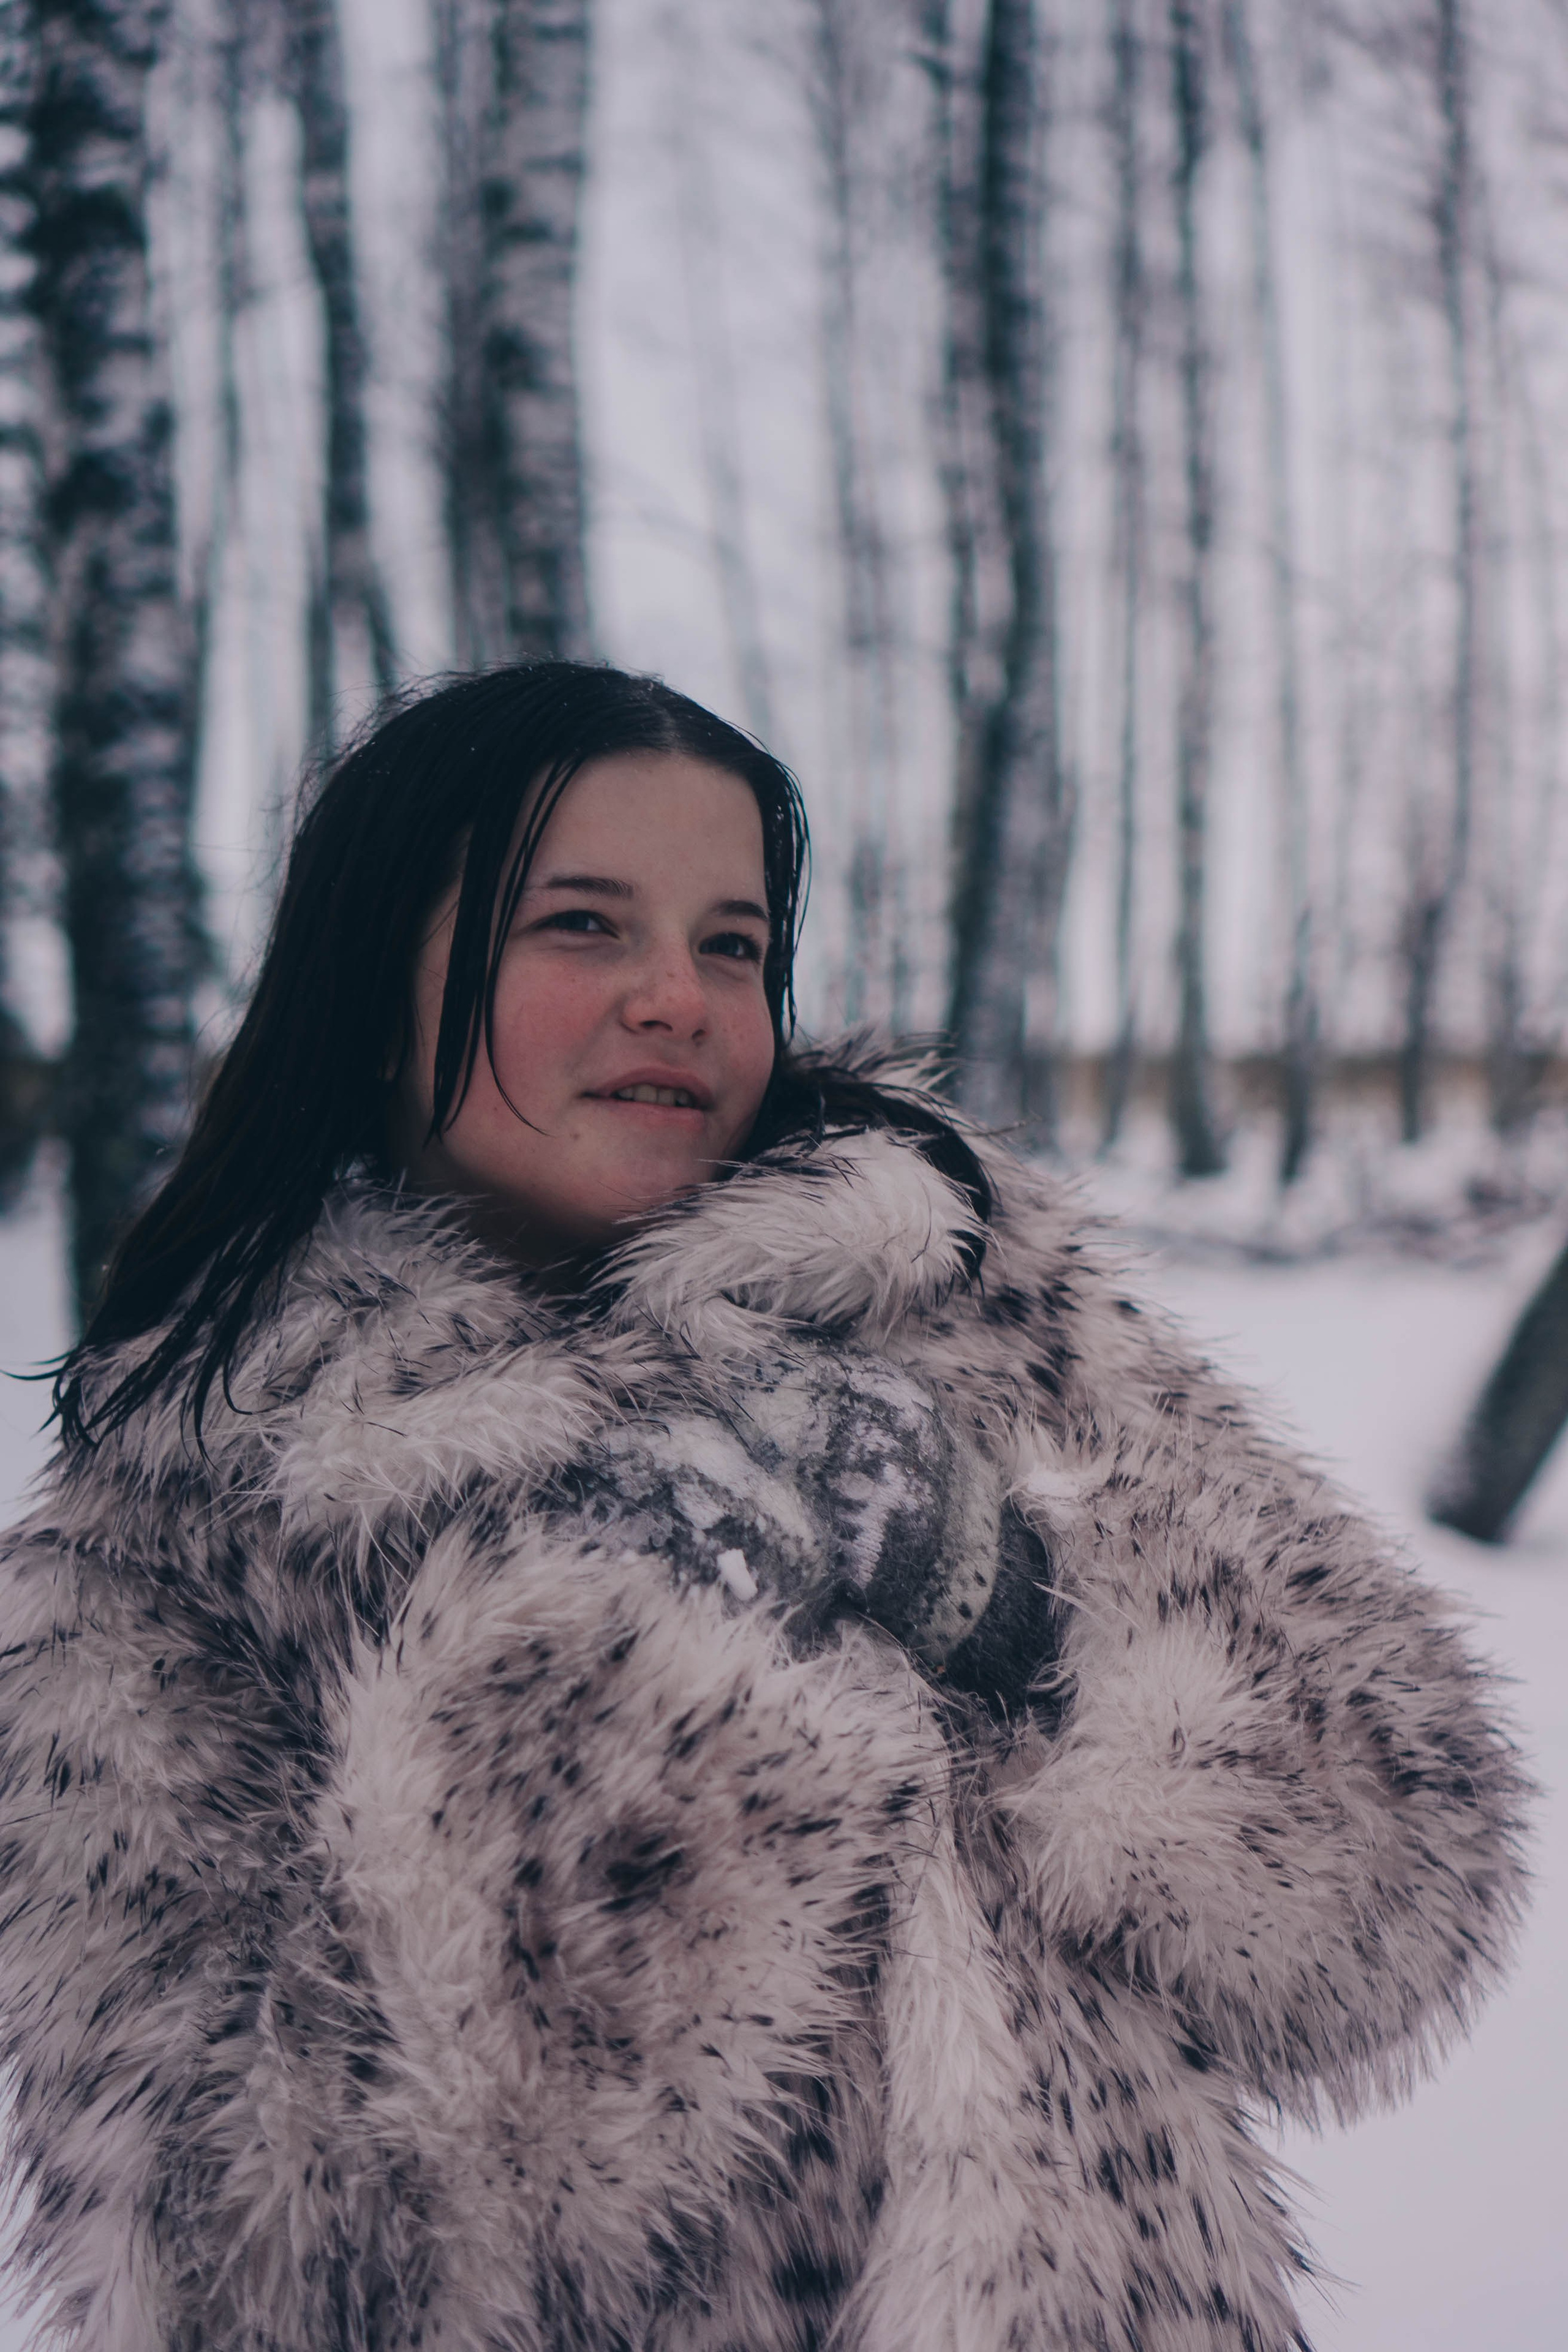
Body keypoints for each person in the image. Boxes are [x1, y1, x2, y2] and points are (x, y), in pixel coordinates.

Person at [0, 662, 1529, 2352]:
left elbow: (1398, 1893)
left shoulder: (967, 1302)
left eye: (730, 942)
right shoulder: (183, 1542)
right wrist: (615, 1702)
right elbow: (262, 2290)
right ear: (379, 986)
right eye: (581, 924)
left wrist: (1019, 1612)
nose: (677, 996)